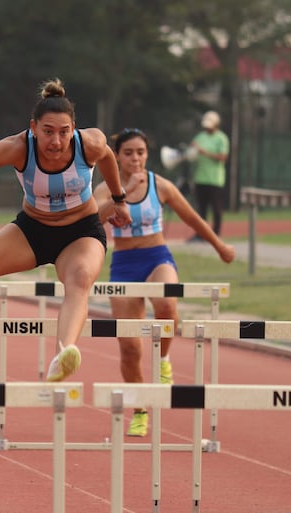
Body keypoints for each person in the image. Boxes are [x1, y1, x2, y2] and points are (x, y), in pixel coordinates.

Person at [0, 78, 131, 382]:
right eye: (48, 132)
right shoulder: (18, 148)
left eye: (64, 133)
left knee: (80, 279)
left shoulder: (90, 144)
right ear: (33, 128)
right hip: (32, 231)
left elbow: (109, 157)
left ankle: (65, 353)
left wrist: (119, 198)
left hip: (81, 233)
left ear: (74, 129)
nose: (56, 142)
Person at [94, 128, 234, 437]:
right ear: (117, 156)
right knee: (130, 348)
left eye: (140, 152)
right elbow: (92, 218)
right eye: (128, 153)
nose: (135, 158)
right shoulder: (106, 188)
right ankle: (140, 409)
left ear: (147, 154)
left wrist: (220, 246)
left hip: (157, 257)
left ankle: (165, 359)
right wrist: (125, 190)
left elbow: (193, 218)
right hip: (124, 266)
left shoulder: (161, 185)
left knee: (167, 305)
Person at [189, 110, 229, 241]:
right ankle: (200, 234)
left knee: (216, 209)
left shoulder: (221, 138)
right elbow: (192, 153)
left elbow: (222, 157)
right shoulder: (200, 137)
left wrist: (204, 152)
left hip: (215, 180)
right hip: (200, 178)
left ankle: (216, 234)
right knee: (201, 209)